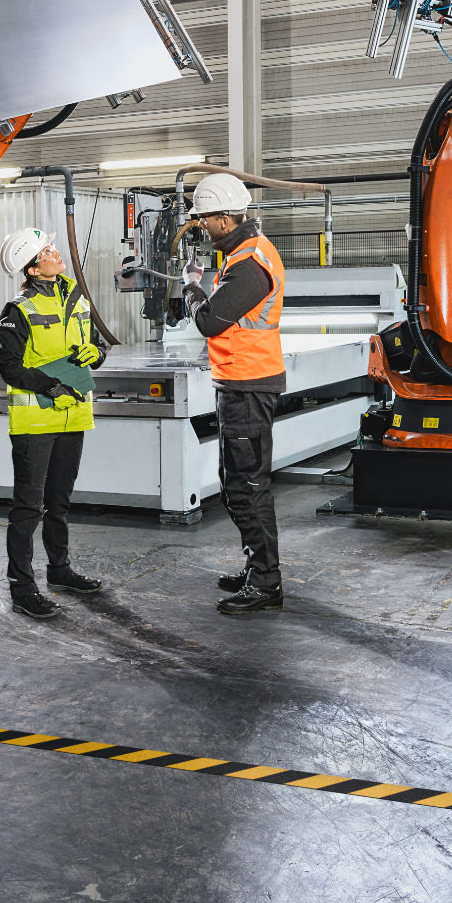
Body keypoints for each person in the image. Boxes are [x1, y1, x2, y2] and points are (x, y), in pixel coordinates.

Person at [187, 173, 287, 614]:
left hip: (249, 383)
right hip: (238, 381)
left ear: (225, 219)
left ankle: (267, 581)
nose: (201, 226)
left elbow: (210, 322)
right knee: (236, 484)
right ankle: (257, 567)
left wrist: (191, 287)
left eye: (205, 218)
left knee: (247, 485)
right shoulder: (241, 253)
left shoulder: (250, 263)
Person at [0, 227, 107, 618]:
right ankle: (22, 587)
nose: (56, 253)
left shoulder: (75, 297)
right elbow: (9, 368)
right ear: (32, 266)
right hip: (35, 421)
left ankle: (59, 571)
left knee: (59, 503)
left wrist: (96, 353)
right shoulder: (17, 310)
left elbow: (94, 347)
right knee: (28, 507)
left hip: (73, 415)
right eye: (47, 250)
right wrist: (51, 386)